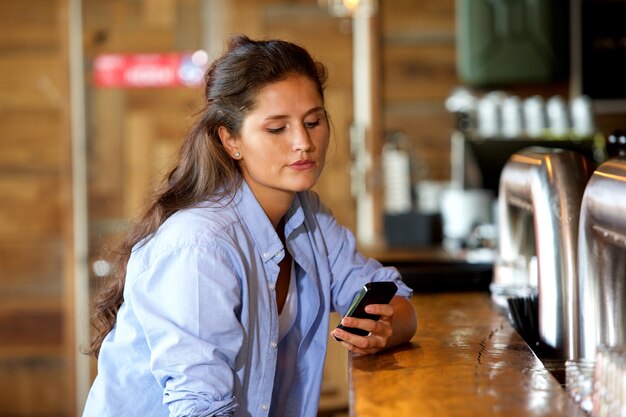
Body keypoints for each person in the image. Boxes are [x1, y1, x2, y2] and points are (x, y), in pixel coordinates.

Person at [82, 34, 417, 417]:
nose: (303, 143)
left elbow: (399, 301)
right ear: (231, 140)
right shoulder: (199, 246)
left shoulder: (310, 218)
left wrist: (385, 329)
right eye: (278, 129)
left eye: (313, 121)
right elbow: (199, 409)